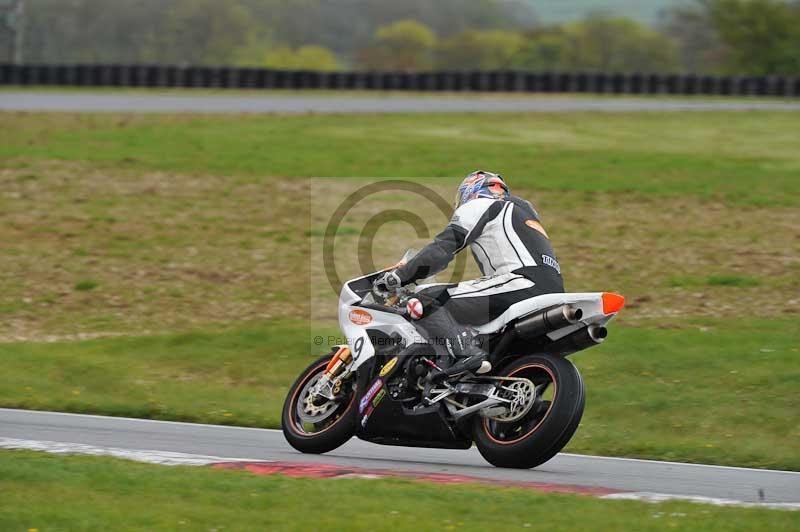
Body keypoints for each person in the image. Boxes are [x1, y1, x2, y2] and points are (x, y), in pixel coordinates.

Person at [373, 170, 565, 381]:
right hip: (552, 291)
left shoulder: (480, 205)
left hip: (521, 284)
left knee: (425, 298)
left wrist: (399, 276)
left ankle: (467, 354)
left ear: (471, 191)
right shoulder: (521, 214)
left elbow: (443, 249)